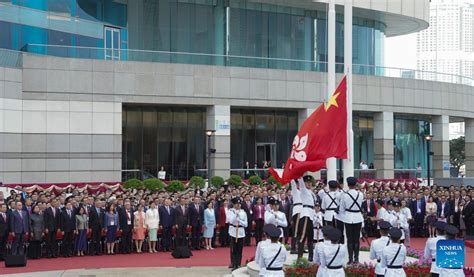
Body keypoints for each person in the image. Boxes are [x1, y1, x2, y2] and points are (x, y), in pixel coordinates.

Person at [339, 176, 364, 264]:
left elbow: (341, 209)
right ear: (355, 184)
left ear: (348, 184)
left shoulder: (344, 195)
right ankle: (356, 259)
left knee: (350, 239)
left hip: (348, 218)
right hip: (358, 217)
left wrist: (344, 216)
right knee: (356, 239)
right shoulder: (360, 194)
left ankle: (350, 259)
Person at [297, 176, 315, 261]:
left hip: (311, 214)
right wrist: (300, 173)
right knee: (303, 236)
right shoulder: (303, 190)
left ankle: (311, 256)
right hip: (306, 214)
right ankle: (299, 257)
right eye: (307, 182)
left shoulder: (311, 192)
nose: (309, 183)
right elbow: (301, 182)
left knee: (311, 237)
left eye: (310, 182)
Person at [227, 196, 248, 271]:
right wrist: (235, 215)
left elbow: (246, 224)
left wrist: (239, 220)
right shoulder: (230, 211)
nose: (238, 205)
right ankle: (234, 263)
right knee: (234, 249)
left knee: (240, 249)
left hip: (241, 231)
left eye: (239, 204)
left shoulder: (243, 212)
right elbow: (230, 221)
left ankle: (238, 263)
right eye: (237, 204)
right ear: (234, 204)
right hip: (233, 231)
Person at [289, 179, 302, 254]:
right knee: (296, 230)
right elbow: (293, 183)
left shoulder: (302, 192)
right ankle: (293, 248)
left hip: (303, 211)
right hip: (297, 210)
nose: (299, 185)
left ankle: (299, 246)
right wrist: (292, 177)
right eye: (298, 184)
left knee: (300, 230)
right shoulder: (295, 191)